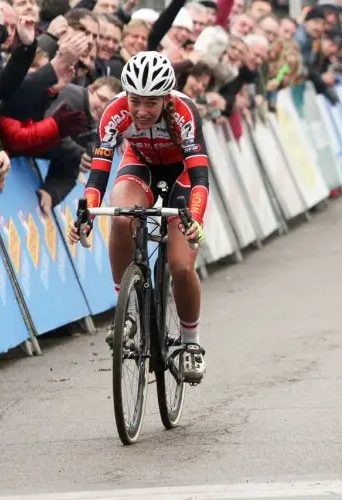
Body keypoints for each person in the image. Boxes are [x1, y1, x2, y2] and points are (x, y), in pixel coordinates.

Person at [68, 51, 210, 384]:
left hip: (182, 176)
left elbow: (200, 177)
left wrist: (196, 220)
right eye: (136, 101)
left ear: (166, 99)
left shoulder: (183, 113)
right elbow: (99, 173)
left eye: (151, 103)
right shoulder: (114, 111)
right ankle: (127, 310)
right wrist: (87, 210)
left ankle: (190, 343)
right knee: (120, 217)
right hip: (140, 164)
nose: (142, 111)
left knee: (180, 265)